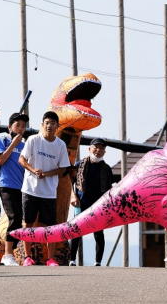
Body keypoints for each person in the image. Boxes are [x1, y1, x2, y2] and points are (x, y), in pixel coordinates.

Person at [18, 111, 71, 266]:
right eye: (47, 123)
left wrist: (47, 174)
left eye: (53, 123)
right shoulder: (33, 140)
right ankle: (27, 257)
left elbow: (63, 168)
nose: (49, 126)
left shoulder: (60, 145)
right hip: (30, 189)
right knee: (28, 224)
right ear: (42, 125)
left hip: (49, 192)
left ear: (57, 126)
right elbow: (21, 159)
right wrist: (33, 170)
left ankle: (50, 258)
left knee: (50, 227)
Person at [69, 138, 114, 266]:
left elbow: (110, 189)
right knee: (76, 230)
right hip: (81, 202)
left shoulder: (106, 168)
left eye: (101, 148)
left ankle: (98, 262)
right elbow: (69, 182)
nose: (98, 150)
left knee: (99, 233)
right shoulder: (79, 165)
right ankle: (72, 260)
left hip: (99, 205)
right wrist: (73, 196)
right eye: (96, 147)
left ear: (104, 152)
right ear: (89, 149)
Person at [0, 112, 29, 266]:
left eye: (23, 126)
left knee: (19, 220)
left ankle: (11, 253)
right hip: (6, 184)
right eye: (18, 125)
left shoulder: (25, 145)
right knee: (13, 217)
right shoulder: (2, 140)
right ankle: (7, 254)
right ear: (10, 127)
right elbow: (0, 160)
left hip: (21, 187)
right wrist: (13, 144)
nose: (21, 128)